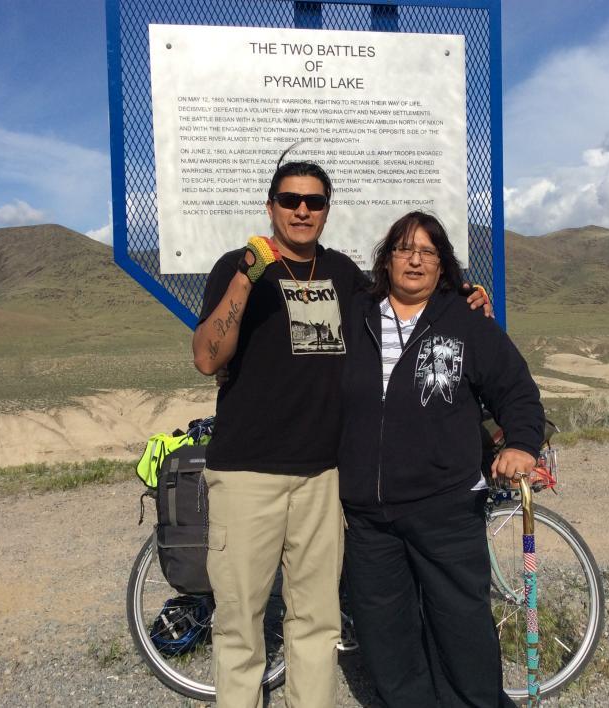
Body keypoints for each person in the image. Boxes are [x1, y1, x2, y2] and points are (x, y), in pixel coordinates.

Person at [192, 149, 492, 707]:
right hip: (245, 473)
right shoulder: (237, 267)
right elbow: (208, 358)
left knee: (316, 622)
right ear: (271, 206)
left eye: (314, 201)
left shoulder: (342, 274)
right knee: (240, 624)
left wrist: (462, 299)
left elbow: (406, 299)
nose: (302, 210)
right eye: (290, 200)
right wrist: (244, 279)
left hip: (323, 477)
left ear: (326, 210)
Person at [337, 211, 545, 708]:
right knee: (385, 631)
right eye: (403, 249)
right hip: (369, 515)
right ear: (385, 260)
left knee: (460, 626)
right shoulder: (354, 317)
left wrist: (520, 444)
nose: (414, 259)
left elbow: (517, 391)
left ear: (442, 265)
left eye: (427, 251)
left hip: (444, 507)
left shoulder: (466, 322)